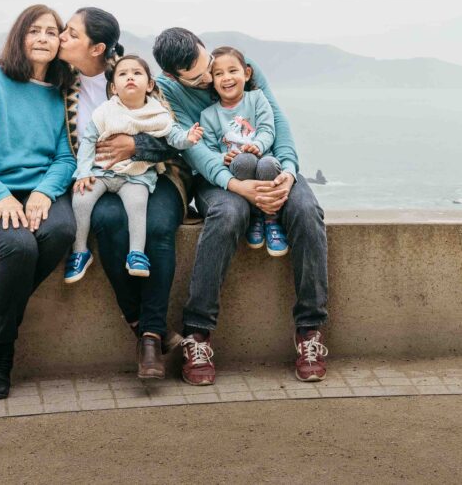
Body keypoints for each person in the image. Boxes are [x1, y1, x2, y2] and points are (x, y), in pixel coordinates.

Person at [138, 28, 329, 385]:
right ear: (173, 76)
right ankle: (198, 333)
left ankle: (310, 330)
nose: (213, 77)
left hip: (268, 163)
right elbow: (196, 151)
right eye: (199, 77)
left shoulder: (241, 66)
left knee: (305, 210)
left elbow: (277, 122)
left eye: (208, 63)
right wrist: (238, 186)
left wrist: (288, 171)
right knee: (229, 214)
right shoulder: (170, 93)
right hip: (218, 176)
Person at [55, 8, 192, 379]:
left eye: (70, 33)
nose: (60, 37)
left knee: (159, 228)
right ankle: (142, 324)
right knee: (108, 221)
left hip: (154, 175)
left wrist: (136, 146)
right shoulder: (60, 84)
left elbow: (174, 142)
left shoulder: (131, 73)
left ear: (97, 47)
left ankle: (149, 338)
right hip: (96, 178)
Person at [0, 4, 77, 400]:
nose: (43, 38)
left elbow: (65, 157)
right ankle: (1, 354)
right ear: (19, 37)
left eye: (51, 31)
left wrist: (43, 192)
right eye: (33, 31)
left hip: (35, 191)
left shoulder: (61, 91)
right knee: (20, 245)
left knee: (61, 230)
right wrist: (0, 196)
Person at [68, 54, 201, 284]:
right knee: (81, 198)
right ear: (113, 87)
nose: (130, 77)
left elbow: (174, 138)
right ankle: (79, 251)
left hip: (136, 175)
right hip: (101, 172)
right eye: (123, 74)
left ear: (150, 84)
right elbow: (88, 141)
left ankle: (136, 254)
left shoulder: (157, 113)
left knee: (138, 204)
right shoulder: (105, 111)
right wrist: (84, 171)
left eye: (137, 73)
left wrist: (189, 138)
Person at [198, 46, 289, 257]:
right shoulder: (208, 115)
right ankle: (254, 216)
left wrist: (257, 145)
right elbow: (210, 149)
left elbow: (268, 129)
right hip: (238, 168)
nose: (226, 78)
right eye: (218, 74)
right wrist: (224, 156)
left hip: (263, 161)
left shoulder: (256, 98)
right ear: (211, 80)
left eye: (233, 71)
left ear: (246, 73)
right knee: (243, 161)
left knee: (266, 163)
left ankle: (271, 218)